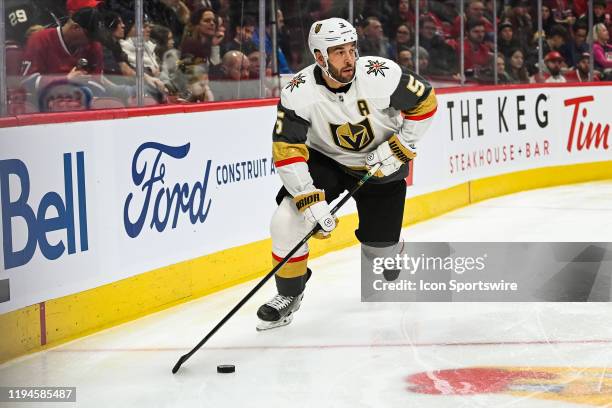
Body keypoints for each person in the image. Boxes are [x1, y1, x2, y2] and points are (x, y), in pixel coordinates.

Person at [257, 17, 437, 330]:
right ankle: (288, 295)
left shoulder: (381, 73)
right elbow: (287, 149)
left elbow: (425, 102)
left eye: (352, 48)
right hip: (327, 161)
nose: (349, 58)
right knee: (286, 220)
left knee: (380, 251)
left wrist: (401, 146)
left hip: (380, 164)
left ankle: (392, 249)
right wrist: (309, 201)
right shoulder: (298, 91)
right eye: (338, 51)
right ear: (319, 57)